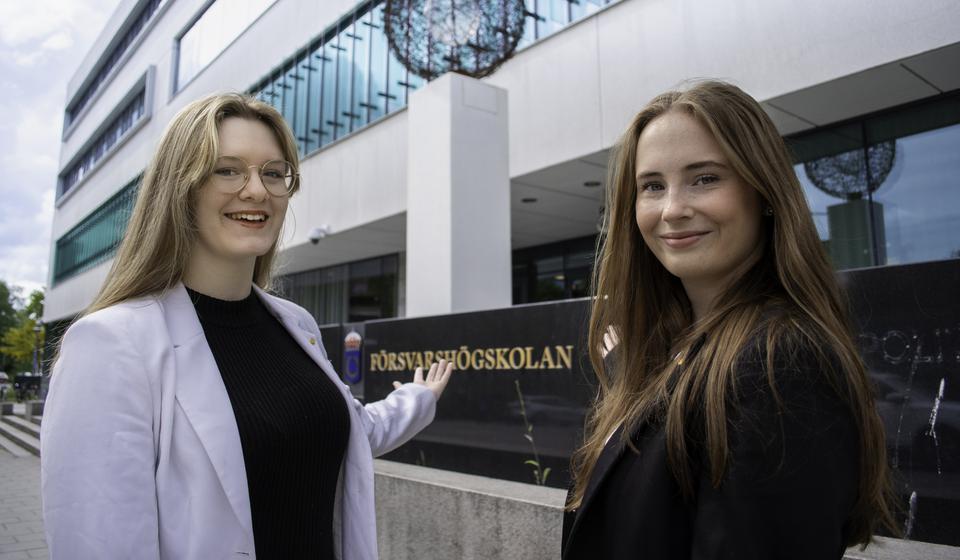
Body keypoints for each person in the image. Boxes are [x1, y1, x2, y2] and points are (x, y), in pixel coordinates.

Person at [41, 93, 453, 560]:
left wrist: (417, 400)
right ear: (181, 187)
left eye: (273, 173)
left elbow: (349, 430)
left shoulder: (296, 324)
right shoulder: (112, 342)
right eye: (228, 169)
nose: (256, 190)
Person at [561, 81, 898, 559]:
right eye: (652, 186)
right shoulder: (671, 354)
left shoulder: (778, 365)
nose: (673, 209)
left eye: (705, 178)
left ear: (762, 191)